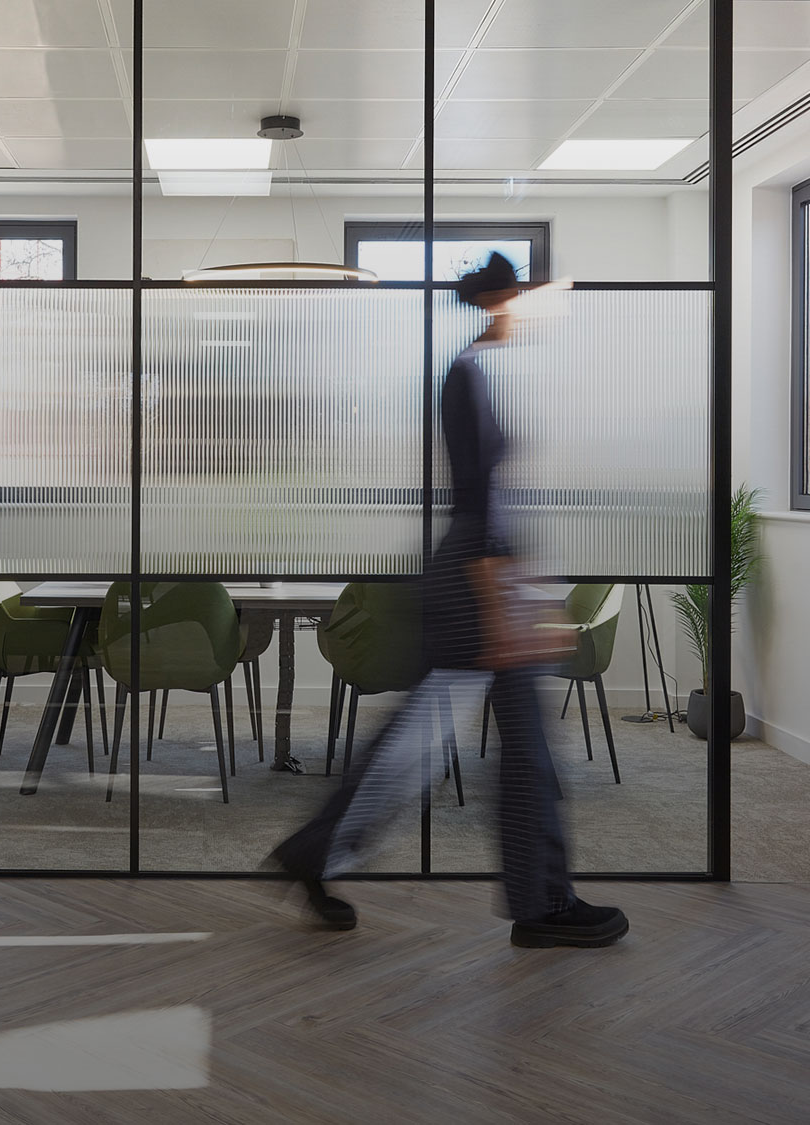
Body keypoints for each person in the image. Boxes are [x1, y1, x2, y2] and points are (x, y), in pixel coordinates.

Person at [267, 253, 629, 949]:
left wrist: (527, 596)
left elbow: (498, 501)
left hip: (484, 578)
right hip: (474, 583)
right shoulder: (469, 374)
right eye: (532, 297)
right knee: (486, 747)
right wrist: (502, 609)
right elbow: (479, 499)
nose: (545, 310)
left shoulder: (481, 370)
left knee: (443, 741)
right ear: (502, 300)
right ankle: (542, 902)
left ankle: (321, 850)